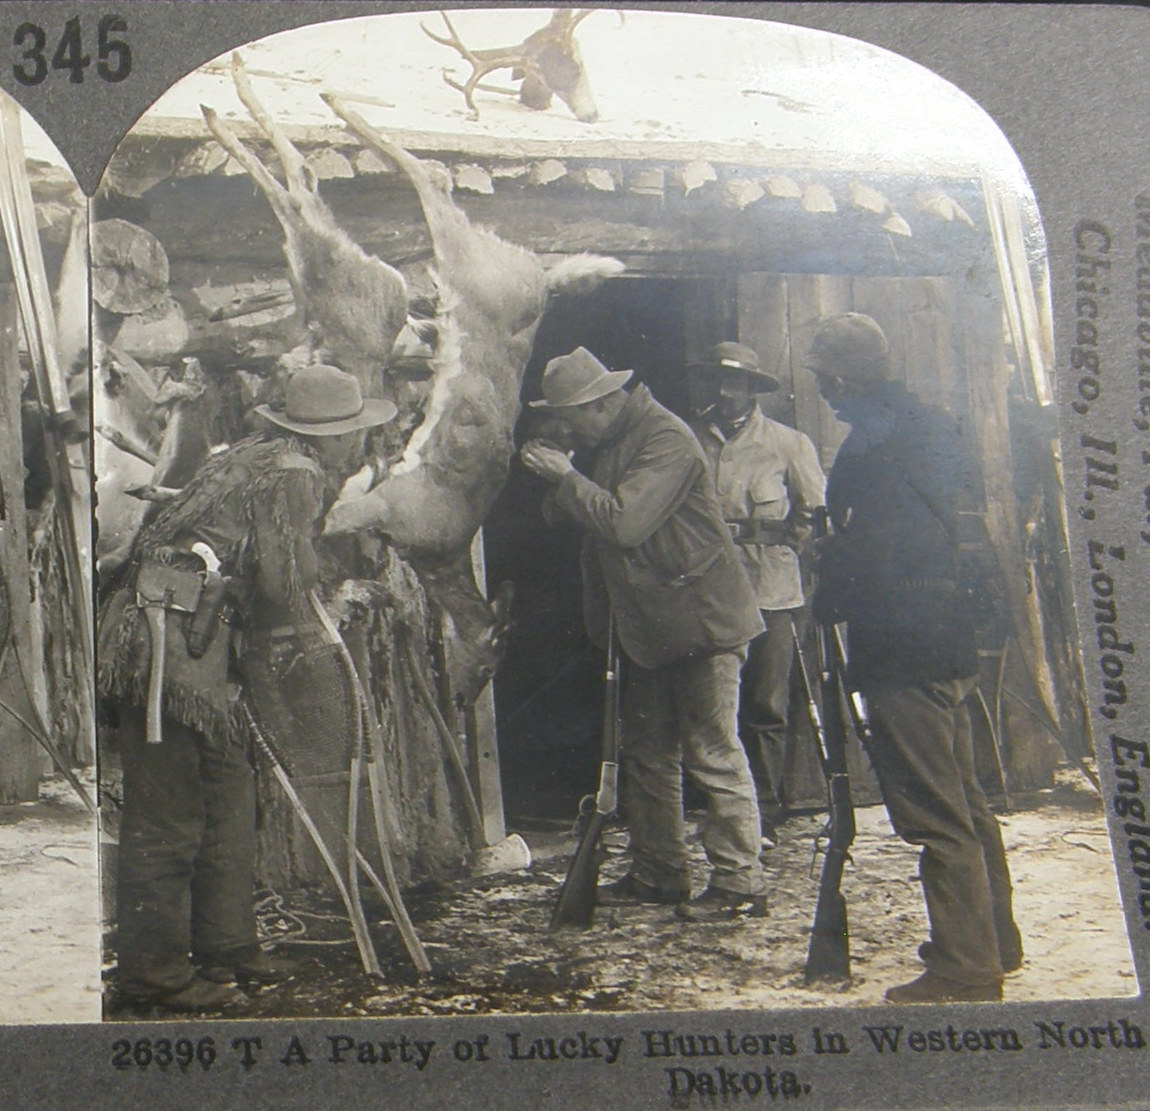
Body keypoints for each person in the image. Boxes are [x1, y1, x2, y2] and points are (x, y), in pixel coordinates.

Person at [98, 363, 396, 1011]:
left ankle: (226, 944)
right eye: (353, 434)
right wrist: (336, 598)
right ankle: (154, 972)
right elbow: (283, 581)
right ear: (330, 438)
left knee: (228, 795)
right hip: (170, 645)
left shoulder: (255, 456)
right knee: (170, 812)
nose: (359, 445)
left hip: (201, 640)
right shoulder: (295, 473)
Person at [805, 313, 1022, 1003]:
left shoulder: (872, 446)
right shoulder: (934, 427)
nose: (825, 394)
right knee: (966, 800)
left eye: (823, 380)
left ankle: (965, 966)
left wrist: (825, 570)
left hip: (903, 648)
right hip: (952, 641)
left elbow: (877, 552)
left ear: (840, 378)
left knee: (936, 814)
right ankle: (996, 941)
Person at [520, 346, 768, 922]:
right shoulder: (606, 443)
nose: (562, 426)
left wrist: (567, 476)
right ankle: (660, 874)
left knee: (712, 752)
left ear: (603, 404)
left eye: (569, 415)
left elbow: (624, 524)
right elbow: (570, 516)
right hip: (647, 627)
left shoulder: (666, 438)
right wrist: (563, 483)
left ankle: (740, 885)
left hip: (702, 623)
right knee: (648, 753)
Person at [689, 342, 825, 840]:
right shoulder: (689, 439)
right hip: (709, 590)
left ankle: (765, 807)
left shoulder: (789, 443)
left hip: (772, 590)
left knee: (766, 704)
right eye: (718, 382)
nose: (726, 393)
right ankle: (720, 808)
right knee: (710, 702)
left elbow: (814, 516)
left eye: (737, 383)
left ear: (752, 389)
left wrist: (785, 548)